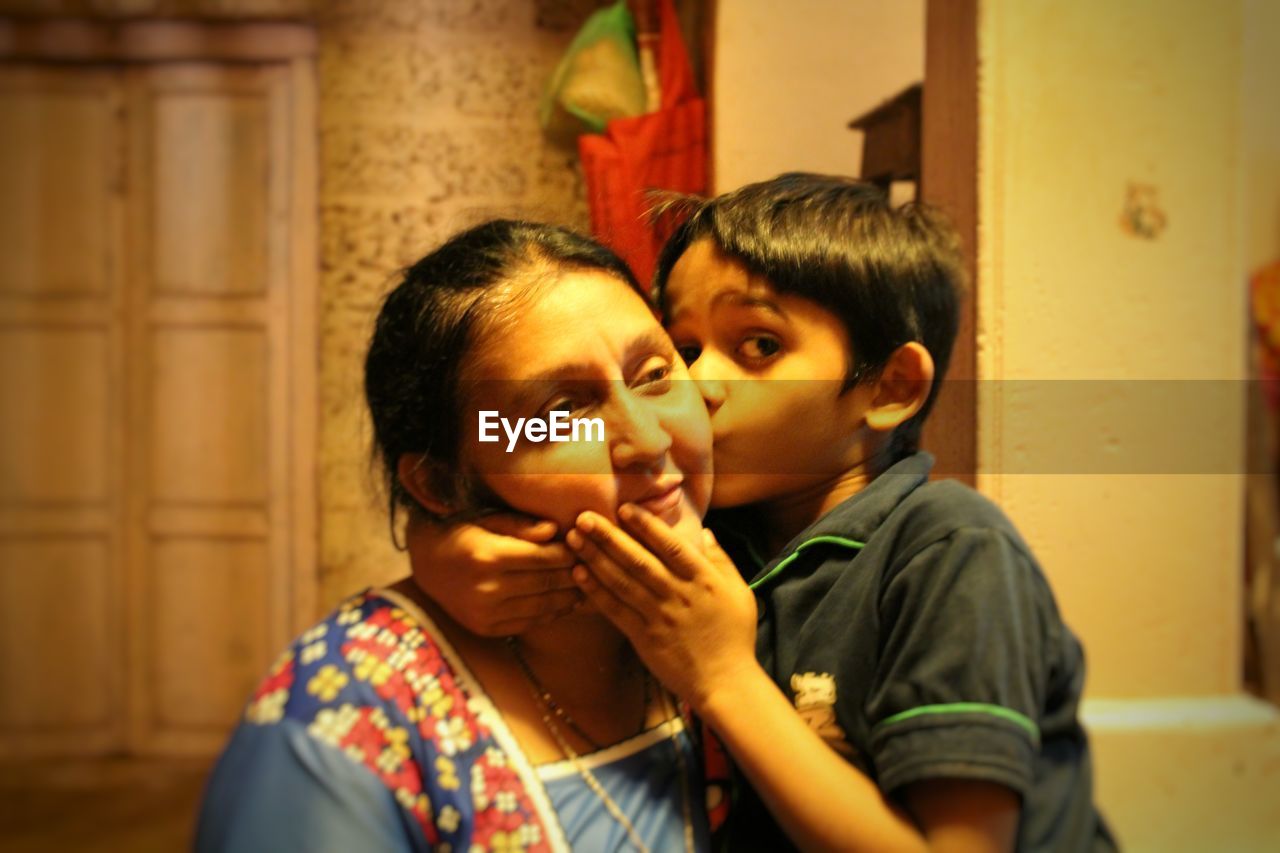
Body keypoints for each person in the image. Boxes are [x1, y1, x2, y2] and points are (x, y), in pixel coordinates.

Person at [413, 176, 1117, 852]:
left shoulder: (948, 551)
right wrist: (438, 546)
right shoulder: (713, 529)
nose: (696, 383)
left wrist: (724, 677)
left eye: (759, 346)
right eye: (681, 350)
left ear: (891, 387)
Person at [195, 220, 716, 853]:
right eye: (562, 412)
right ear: (439, 485)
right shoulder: (344, 719)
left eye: (655, 373)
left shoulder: (767, 573)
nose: (652, 442)